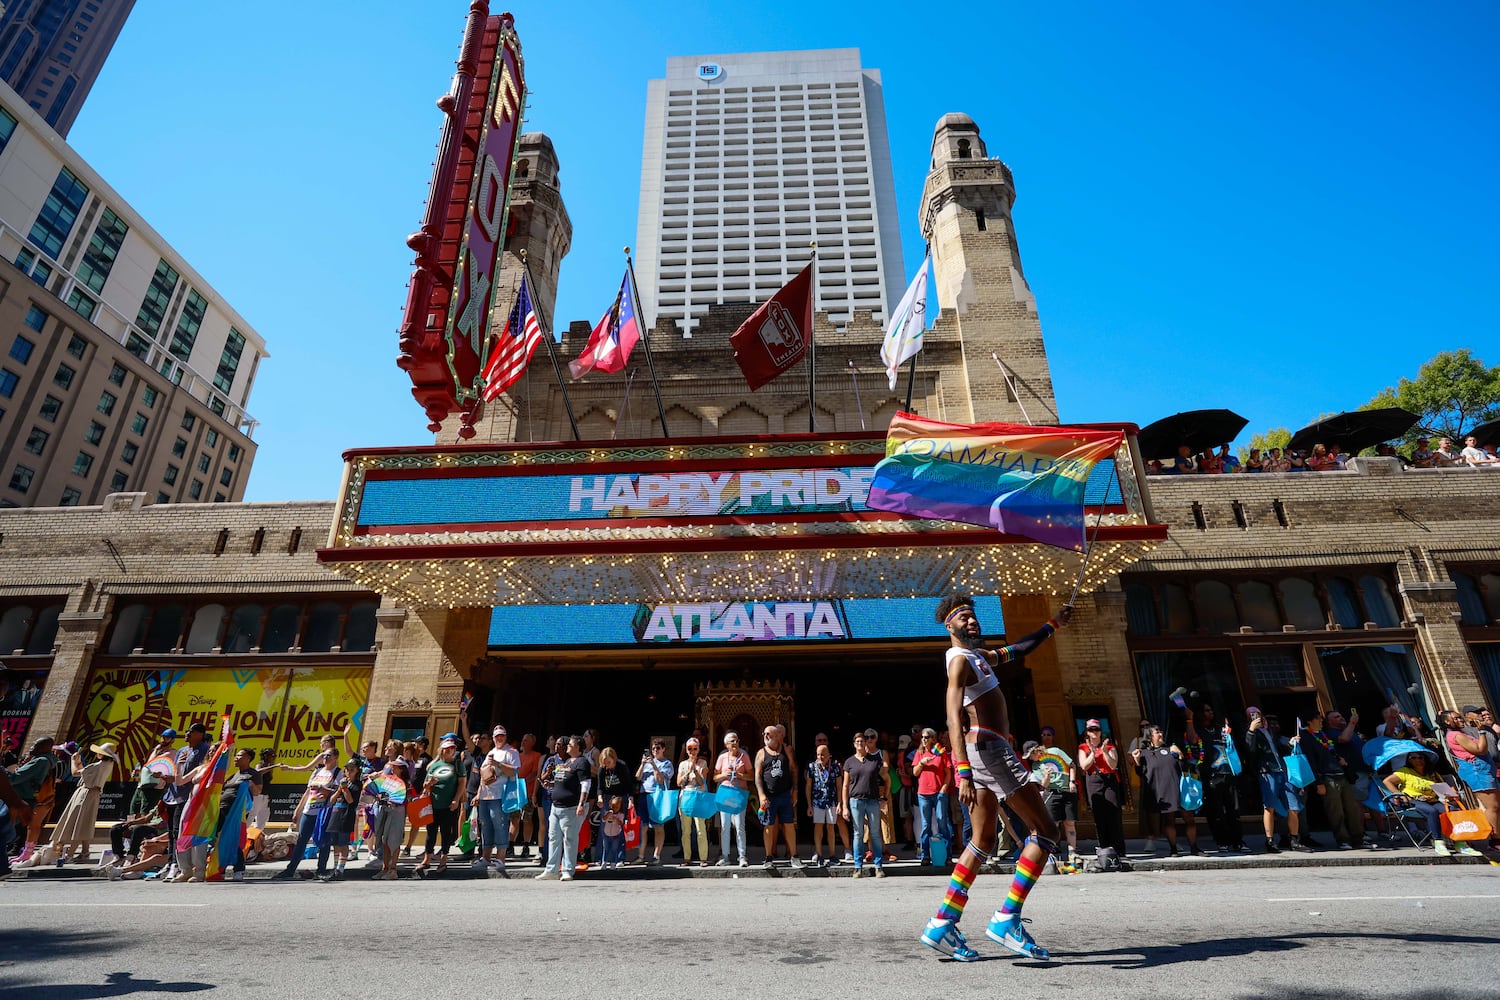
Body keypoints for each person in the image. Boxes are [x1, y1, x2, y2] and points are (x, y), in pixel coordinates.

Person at [921, 596, 1072, 963]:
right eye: (964, 618)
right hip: (989, 750)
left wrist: (1053, 624)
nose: (972, 622)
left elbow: (1020, 648)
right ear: (949, 627)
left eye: (974, 617)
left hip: (986, 752)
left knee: (983, 839)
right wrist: (962, 772)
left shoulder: (980, 657)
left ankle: (942, 922)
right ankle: (1007, 918)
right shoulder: (958, 662)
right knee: (1046, 831)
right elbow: (953, 719)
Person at [181, 746, 261, 882]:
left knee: (234, 840)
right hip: (222, 810)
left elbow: (257, 791)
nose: (237, 758)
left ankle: (239, 869)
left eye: (240, 756)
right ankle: (218, 869)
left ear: (248, 758)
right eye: (236, 756)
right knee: (218, 840)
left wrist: (250, 784)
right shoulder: (232, 775)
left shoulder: (253, 774)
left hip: (236, 813)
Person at [1243, 710, 1311, 853]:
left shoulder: (1270, 731)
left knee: (1293, 806)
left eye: (1259, 714)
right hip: (1267, 772)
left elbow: (1280, 743)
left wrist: (1290, 742)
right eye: (1253, 715)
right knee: (1269, 806)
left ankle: (1294, 839)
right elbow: (1250, 750)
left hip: (1282, 770)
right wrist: (1251, 731)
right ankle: (1269, 840)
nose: (1258, 717)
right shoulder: (1250, 732)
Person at [1382, 751, 1472, 857]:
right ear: (1408, 760)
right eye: (1413, 757)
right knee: (1432, 811)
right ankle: (1438, 842)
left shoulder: (1432, 773)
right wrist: (1400, 795)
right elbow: (1387, 781)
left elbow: (1442, 788)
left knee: (1454, 811)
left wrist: (1451, 793)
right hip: (1413, 801)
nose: (1418, 760)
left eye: (1421, 757)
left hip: (1433, 800)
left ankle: (1460, 843)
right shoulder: (1405, 772)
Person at [1131, 726, 1200, 856]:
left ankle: (1195, 848)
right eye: (1157, 732)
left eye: (1161, 731)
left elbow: (1184, 766)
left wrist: (1179, 755)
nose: (1161, 734)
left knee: (1189, 818)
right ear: (1150, 737)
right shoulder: (1143, 753)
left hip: (1179, 789)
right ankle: (1173, 849)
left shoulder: (1170, 749)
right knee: (1169, 820)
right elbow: (1141, 773)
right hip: (1163, 791)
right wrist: (1136, 760)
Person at [274, 749, 339, 879]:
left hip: (323, 811)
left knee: (323, 842)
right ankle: (290, 870)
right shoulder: (317, 771)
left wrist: (323, 789)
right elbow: (308, 792)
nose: (325, 758)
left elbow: (337, 792)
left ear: (336, 757)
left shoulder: (338, 772)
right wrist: (298, 810)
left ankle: (321, 870)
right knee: (301, 841)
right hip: (309, 810)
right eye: (323, 755)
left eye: (328, 756)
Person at [48, 742, 117, 864]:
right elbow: (83, 772)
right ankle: (85, 852)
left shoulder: (97, 765)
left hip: (85, 794)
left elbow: (75, 773)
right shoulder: (108, 764)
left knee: (78, 823)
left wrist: (74, 761)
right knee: (86, 823)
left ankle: (69, 854)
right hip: (93, 795)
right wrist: (79, 763)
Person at [1303, 711, 1361, 850]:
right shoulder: (1306, 737)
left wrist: (1340, 760)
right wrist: (1318, 782)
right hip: (1327, 778)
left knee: (1352, 809)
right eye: (1318, 718)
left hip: (1341, 774)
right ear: (1309, 721)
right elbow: (1310, 761)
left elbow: (1331, 750)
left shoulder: (1322, 734)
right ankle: (1343, 840)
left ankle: (1358, 838)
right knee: (1336, 812)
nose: (1321, 721)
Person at [536, 736, 591, 881]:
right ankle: (551, 869)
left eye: (570, 744)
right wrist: (551, 785)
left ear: (578, 747)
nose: (567, 746)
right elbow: (562, 781)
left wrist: (581, 804)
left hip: (571, 807)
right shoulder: (567, 761)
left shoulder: (582, 762)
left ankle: (567, 870)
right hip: (556, 806)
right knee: (553, 838)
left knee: (569, 839)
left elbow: (585, 784)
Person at [1442, 708, 1500, 844]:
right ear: (1446, 722)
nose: (1460, 719)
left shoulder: (1461, 733)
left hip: (1485, 770)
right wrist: (1481, 732)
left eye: (1459, 717)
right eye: (1455, 718)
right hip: (1477, 772)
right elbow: (1480, 750)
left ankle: (1496, 835)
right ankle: (1495, 839)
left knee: (1496, 806)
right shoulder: (1455, 735)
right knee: (1493, 807)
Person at [1199, 704, 1247, 852]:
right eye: (1206, 710)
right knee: (1216, 811)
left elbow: (1232, 746)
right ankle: (1222, 841)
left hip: (1228, 773)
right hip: (1212, 776)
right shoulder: (1200, 732)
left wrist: (1228, 732)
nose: (1210, 712)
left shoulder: (1220, 730)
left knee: (1234, 810)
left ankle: (1238, 841)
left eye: (1211, 710)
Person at [104, 759, 166, 874]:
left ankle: (131, 856)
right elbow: (147, 817)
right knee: (116, 828)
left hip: (159, 829)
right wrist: (131, 823)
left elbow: (162, 824)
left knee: (138, 829)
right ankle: (119, 856)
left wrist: (145, 824)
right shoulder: (160, 803)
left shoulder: (173, 807)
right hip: (149, 824)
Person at [414, 737, 465, 878]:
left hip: (449, 805)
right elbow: (425, 786)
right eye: (447, 748)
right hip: (433, 804)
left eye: (452, 748)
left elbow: (462, 783)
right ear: (441, 750)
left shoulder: (457, 764)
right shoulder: (435, 765)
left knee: (446, 832)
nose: (449, 750)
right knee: (431, 832)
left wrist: (456, 800)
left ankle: (443, 859)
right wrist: (430, 783)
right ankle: (427, 859)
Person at [473, 725, 519, 876]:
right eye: (497, 736)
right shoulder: (491, 752)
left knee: (500, 824)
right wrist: (478, 794)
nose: (499, 738)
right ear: (493, 738)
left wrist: (498, 765)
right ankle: (486, 857)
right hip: (486, 794)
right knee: (486, 826)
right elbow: (483, 776)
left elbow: (514, 771)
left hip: (500, 794)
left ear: (506, 737)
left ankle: (501, 858)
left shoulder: (511, 752)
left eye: (502, 736)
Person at [755, 723, 803, 869]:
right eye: (764, 734)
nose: (766, 737)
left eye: (769, 734)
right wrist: (761, 794)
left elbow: (794, 770)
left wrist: (795, 790)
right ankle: (769, 857)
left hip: (784, 795)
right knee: (768, 826)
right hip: (769, 796)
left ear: (777, 736)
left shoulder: (786, 750)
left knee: (789, 824)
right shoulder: (761, 753)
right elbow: (757, 775)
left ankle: (794, 856)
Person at [840, 732, 886, 877]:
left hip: (872, 800)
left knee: (875, 833)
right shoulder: (849, 762)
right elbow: (845, 785)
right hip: (856, 801)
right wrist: (845, 805)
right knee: (858, 833)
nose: (860, 743)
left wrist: (885, 796)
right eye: (857, 741)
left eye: (862, 741)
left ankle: (878, 865)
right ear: (854, 744)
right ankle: (858, 866)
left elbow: (885, 778)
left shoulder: (874, 760)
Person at [1079, 720, 1126, 859]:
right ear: (1087, 732)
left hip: (1109, 779)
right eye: (1091, 730)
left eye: (1097, 729)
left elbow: (1113, 765)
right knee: (1099, 815)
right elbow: (1084, 766)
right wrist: (1092, 753)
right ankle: (1105, 849)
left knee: (1114, 813)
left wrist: (1104, 751)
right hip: (1093, 780)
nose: (1094, 732)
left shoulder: (1109, 745)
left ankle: (1119, 849)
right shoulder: (1083, 747)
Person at [1031, 726, 1077, 866]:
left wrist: (1072, 782)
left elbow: (1072, 765)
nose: (1031, 758)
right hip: (1051, 793)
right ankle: (1051, 852)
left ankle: (1072, 852)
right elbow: (1044, 785)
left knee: (1070, 822)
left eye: (1031, 755)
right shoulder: (1036, 765)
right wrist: (1047, 775)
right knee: (1053, 824)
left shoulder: (1055, 751)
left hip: (1067, 790)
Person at [317, 758, 363, 880]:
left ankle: (340, 870)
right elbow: (332, 800)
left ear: (357, 770)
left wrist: (345, 789)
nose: (348, 771)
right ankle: (335, 867)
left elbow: (350, 800)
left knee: (343, 844)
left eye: (352, 769)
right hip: (335, 814)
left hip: (346, 816)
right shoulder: (342, 783)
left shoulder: (357, 785)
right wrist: (339, 789)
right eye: (347, 769)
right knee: (335, 844)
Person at [714, 731, 751, 867]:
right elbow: (715, 777)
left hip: (739, 793)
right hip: (725, 793)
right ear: (726, 744)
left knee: (740, 825)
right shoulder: (722, 757)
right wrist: (724, 775)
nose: (735, 743)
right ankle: (725, 856)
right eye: (732, 741)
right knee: (725, 826)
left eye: (736, 740)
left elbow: (751, 775)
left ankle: (742, 856)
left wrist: (740, 775)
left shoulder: (744, 756)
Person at [635, 739, 674, 865]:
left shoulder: (667, 764)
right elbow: (638, 777)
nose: (655, 751)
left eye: (658, 748)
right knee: (643, 827)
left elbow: (661, 780)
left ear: (663, 749)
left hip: (657, 796)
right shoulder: (646, 763)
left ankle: (656, 856)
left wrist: (654, 765)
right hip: (644, 794)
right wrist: (642, 764)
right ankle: (640, 856)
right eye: (653, 749)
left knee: (658, 827)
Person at [677, 738, 712, 866]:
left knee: (700, 828)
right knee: (685, 830)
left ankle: (703, 858)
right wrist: (687, 772)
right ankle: (687, 857)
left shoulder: (703, 762)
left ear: (698, 749)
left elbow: (702, 781)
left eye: (694, 748)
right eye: (689, 748)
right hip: (686, 796)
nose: (692, 751)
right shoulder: (682, 764)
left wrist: (695, 770)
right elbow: (679, 782)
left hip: (698, 797)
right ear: (686, 750)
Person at [513, 733, 542, 858]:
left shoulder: (536, 756)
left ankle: (526, 845)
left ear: (532, 743)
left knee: (526, 819)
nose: (523, 742)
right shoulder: (517, 756)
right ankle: (510, 844)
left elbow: (535, 773)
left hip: (528, 792)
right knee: (514, 818)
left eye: (526, 741)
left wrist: (522, 783)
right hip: (515, 792)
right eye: (523, 740)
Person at [600, 795, 627, 869]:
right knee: (605, 848)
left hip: (616, 834)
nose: (615, 809)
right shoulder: (607, 812)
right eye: (613, 807)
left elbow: (621, 823)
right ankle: (604, 862)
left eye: (617, 807)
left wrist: (617, 819)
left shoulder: (621, 815)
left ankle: (613, 863)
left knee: (614, 849)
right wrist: (608, 815)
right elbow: (603, 819)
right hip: (607, 834)